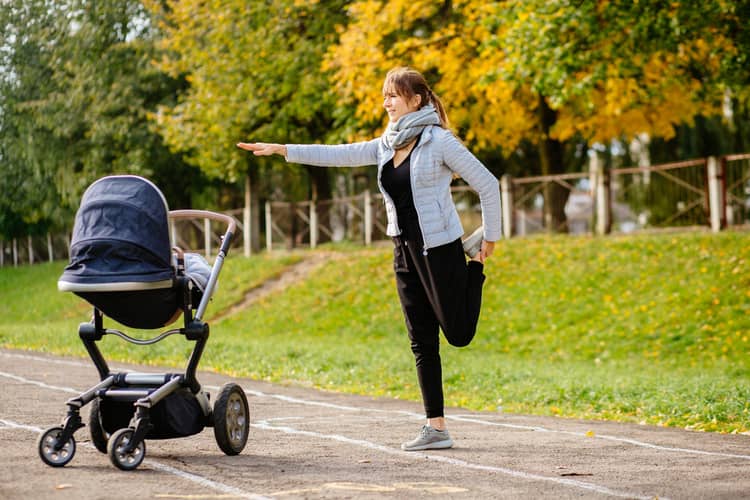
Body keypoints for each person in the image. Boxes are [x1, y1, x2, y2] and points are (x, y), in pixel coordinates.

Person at [237, 66, 501, 451]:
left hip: (440, 249)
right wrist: (283, 150)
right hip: (404, 252)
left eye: (393, 95)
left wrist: (489, 238)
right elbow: (339, 154)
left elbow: (488, 184)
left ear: (416, 99)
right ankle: (436, 426)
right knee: (421, 341)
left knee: (458, 335)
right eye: (384, 96)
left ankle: (474, 267)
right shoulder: (386, 143)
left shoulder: (438, 142)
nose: (386, 102)